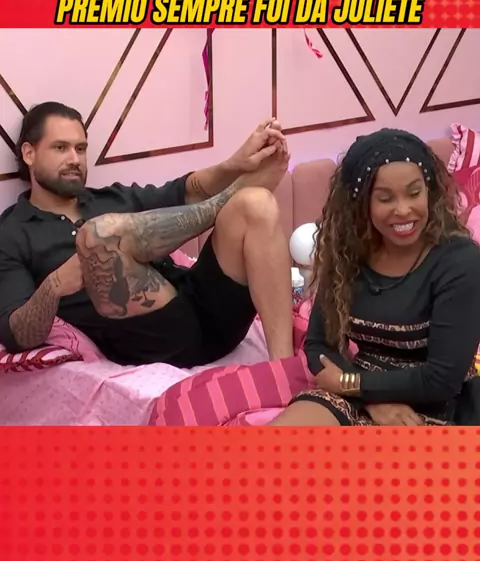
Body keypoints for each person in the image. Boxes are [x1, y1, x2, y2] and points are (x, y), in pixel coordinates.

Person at [0, 101, 295, 368]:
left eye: (80, 148)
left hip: (211, 315)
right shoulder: (12, 233)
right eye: (60, 148)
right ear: (29, 153)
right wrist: (53, 286)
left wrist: (235, 164)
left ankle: (284, 371)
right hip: (156, 342)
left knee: (255, 202)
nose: (75, 158)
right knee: (98, 236)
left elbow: (188, 191)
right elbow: (17, 336)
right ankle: (228, 197)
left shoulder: (111, 198)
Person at [268, 128, 480, 427]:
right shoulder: (346, 253)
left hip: (439, 402)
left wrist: (351, 384)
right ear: (362, 202)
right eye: (385, 198)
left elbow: (442, 379)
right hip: (358, 387)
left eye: (414, 193)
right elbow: (318, 345)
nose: (403, 210)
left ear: (429, 191)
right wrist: (368, 397)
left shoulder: (460, 261)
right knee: (270, 449)